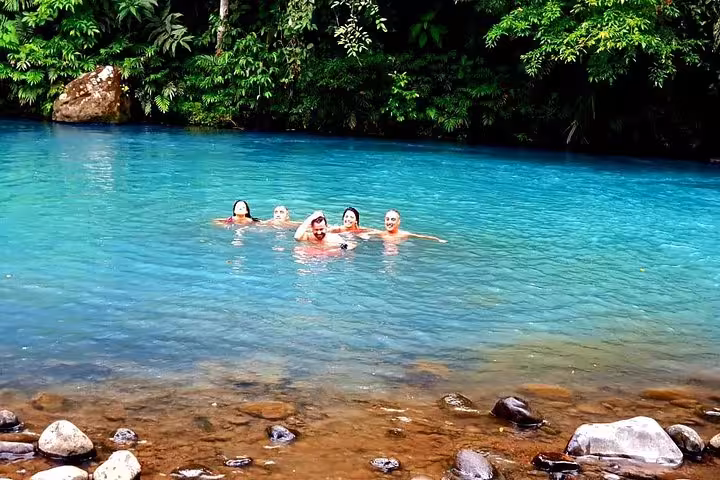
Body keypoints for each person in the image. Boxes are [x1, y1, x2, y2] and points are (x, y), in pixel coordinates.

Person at [365, 209, 447, 243]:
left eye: (393, 219)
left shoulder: (404, 234)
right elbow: (364, 232)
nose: (389, 222)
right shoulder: (381, 234)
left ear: (398, 222)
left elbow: (422, 237)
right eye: (387, 219)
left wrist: (438, 240)